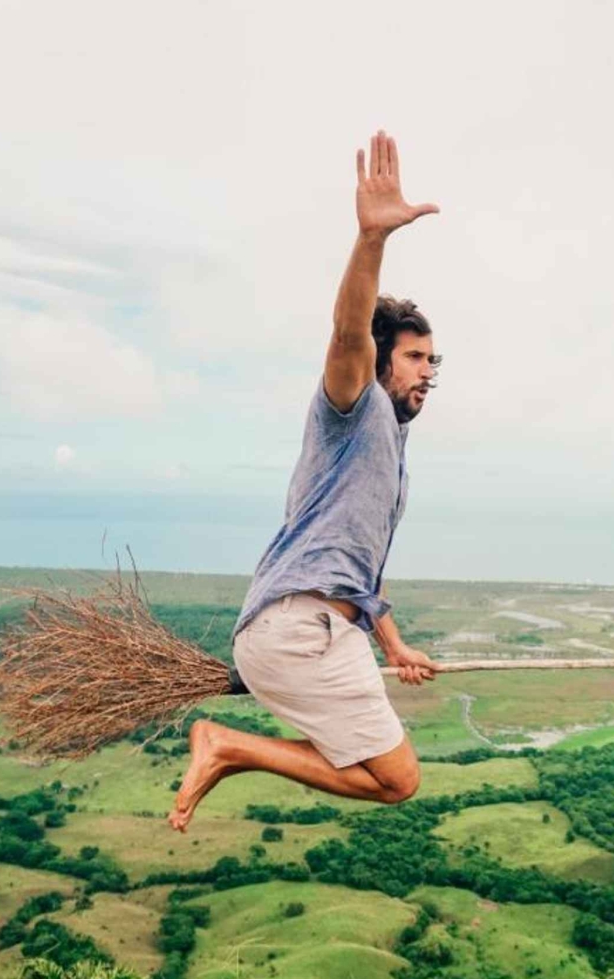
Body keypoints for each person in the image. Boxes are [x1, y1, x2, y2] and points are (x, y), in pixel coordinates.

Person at [167, 129, 441, 832]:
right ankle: (227, 742)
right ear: (382, 360)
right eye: (414, 357)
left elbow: (349, 572)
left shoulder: (388, 449)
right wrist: (372, 239)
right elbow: (350, 331)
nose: (427, 372)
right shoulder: (353, 406)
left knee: (392, 780)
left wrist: (395, 645)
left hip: (315, 626)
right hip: (299, 630)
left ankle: (229, 744)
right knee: (398, 779)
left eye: (434, 361)